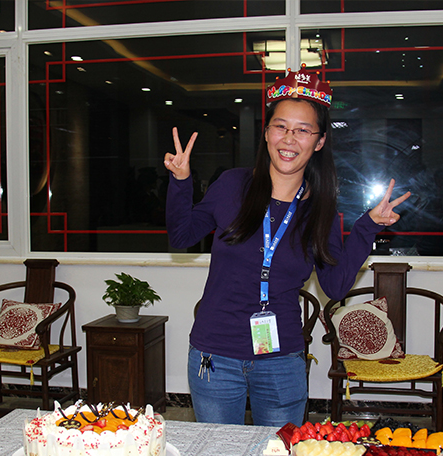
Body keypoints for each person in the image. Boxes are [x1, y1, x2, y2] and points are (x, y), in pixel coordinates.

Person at [164, 66, 410, 427]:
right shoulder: (232, 186)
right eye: (280, 126)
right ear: (266, 133)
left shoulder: (320, 210)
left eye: (303, 130)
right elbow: (181, 236)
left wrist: (366, 228)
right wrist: (180, 182)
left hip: (281, 361)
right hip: (215, 354)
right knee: (219, 454)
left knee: (281, 454)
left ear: (319, 141)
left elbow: (335, 286)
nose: (289, 139)